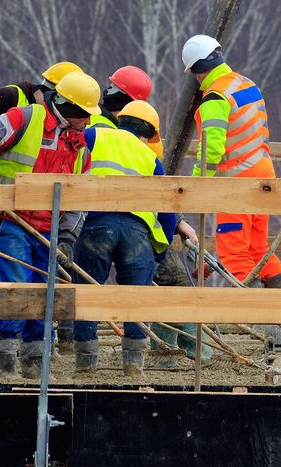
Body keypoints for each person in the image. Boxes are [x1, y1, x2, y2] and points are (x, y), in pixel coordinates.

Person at [0, 71, 101, 378]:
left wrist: (66, 233)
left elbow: (78, 194)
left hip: (47, 229)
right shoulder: (25, 119)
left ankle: (35, 361)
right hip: (11, 220)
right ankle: (4, 358)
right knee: (17, 286)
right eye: (86, 115)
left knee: (45, 291)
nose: (89, 122)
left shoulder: (79, 146)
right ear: (71, 109)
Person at [71, 100, 178, 379]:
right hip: (137, 233)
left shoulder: (95, 134)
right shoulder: (149, 158)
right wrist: (161, 250)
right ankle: (132, 365)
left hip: (98, 226)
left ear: (121, 120)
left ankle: (85, 363)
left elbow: (70, 149)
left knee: (87, 292)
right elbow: (168, 209)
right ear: (146, 133)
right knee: (136, 298)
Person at [182, 34, 281, 288]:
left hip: (238, 183)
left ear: (196, 72)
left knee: (234, 252)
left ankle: (252, 321)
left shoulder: (214, 98)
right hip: (264, 175)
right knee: (258, 248)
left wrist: (197, 185)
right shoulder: (244, 83)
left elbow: (211, 151)